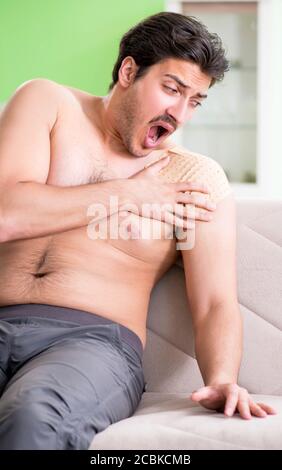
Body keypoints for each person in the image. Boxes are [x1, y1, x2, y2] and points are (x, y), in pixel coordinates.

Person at [0, 12, 276, 450]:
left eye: (196, 101)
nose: (181, 113)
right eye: (172, 89)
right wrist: (130, 195)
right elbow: (6, 215)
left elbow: (213, 303)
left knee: (34, 417)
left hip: (91, 344)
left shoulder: (194, 178)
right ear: (129, 71)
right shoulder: (47, 104)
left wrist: (223, 378)